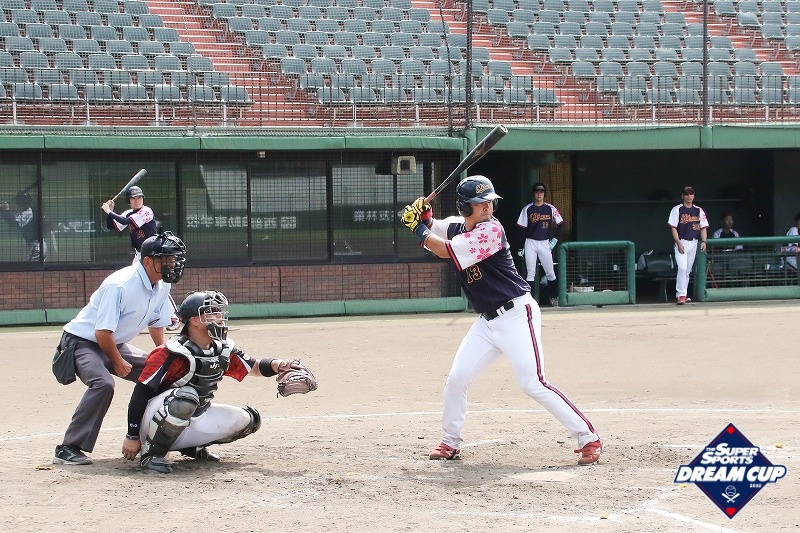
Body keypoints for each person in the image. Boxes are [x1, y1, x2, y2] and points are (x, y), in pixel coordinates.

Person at [400, 175, 602, 465]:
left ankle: (588, 437)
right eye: (480, 203)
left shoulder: (491, 230)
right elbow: (436, 230)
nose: (488, 207)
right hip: (486, 322)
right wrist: (424, 216)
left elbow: (442, 248)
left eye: (490, 202)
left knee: (532, 382)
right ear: (464, 207)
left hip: (517, 314)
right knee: (457, 379)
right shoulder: (458, 226)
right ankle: (450, 441)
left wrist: (416, 227)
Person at [121, 290, 303, 473]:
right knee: (186, 398)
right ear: (194, 320)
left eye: (219, 311)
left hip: (194, 417)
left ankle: (192, 446)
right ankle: (152, 454)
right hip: (154, 421)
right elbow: (141, 393)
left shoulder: (221, 349)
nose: (219, 316)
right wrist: (132, 435)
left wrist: (280, 365)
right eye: (212, 311)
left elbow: (253, 366)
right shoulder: (170, 351)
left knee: (249, 420)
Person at [52, 231, 186, 466]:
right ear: (147, 261)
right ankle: (67, 448)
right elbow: (102, 332)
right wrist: (117, 361)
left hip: (113, 342)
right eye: (165, 259)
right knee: (103, 384)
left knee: (162, 374)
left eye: (173, 258)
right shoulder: (121, 285)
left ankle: (156, 440)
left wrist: (163, 356)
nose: (172, 264)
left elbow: (156, 321)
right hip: (82, 342)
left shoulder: (162, 284)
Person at [102, 186, 180, 331]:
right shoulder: (128, 212)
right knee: (136, 283)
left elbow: (125, 221)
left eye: (139, 197)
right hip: (139, 254)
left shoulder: (146, 211)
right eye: (133, 198)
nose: (137, 200)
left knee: (160, 285)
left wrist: (109, 211)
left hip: (154, 254)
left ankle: (173, 317)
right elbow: (111, 225)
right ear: (129, 201)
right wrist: (110, 212)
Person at [516, 182, 563, 307]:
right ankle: (530, 301)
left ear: (544, 194)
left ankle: (554, 297)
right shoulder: (527, 209)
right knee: (530, 273)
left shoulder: (550, 208)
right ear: (533, 194)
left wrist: (554, 240)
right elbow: (521, 228)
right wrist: (521, 246)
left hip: (545, 242)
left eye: (541, 192)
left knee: (550, 272)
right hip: (530, 242)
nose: (539, 194)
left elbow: (561, 224)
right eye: (537, 192)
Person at [668, 186, 709, 305]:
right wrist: (678, 242)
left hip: (694, 242)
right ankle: (681, 295)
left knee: (687, 271)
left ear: (694, 195)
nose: (689, 196)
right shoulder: (677, 209)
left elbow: (703, 227)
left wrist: (704, 241)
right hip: (682, 241)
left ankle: (683, 295)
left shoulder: (698, 210)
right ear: (682, 196)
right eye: (686, 194)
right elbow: (673, 228)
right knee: (682, 267)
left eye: (691, 194)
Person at [1, 191, 46, 261]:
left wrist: (6, 209)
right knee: (32, 267)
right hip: (36, 245)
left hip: (36, 246)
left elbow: (12, 222)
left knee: (29, 266)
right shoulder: (27, 212)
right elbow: (12, 217)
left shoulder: (28, 213)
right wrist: (3, 210)